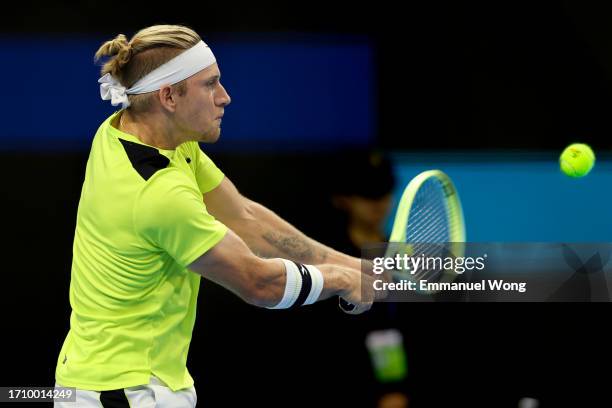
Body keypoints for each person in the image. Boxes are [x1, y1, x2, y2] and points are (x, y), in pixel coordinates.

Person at [54, 24, 377, 407]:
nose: (225, 97)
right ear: (169, 96)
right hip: (130, 390)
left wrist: (361, 270)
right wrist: (339, 279)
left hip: (105, 381)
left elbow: (245, 219)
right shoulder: (158, 192)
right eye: (210, 85)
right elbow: (258, 284)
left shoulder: (129, 134)